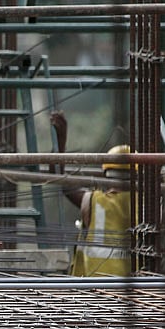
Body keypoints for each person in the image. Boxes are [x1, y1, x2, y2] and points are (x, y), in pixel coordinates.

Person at [51, 111, 133, 277]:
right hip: (136, 291)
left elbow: (60, 180)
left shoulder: (94, 202)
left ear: (105, 174)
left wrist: (60, 141)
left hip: (93, 288)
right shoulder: (147, 206)